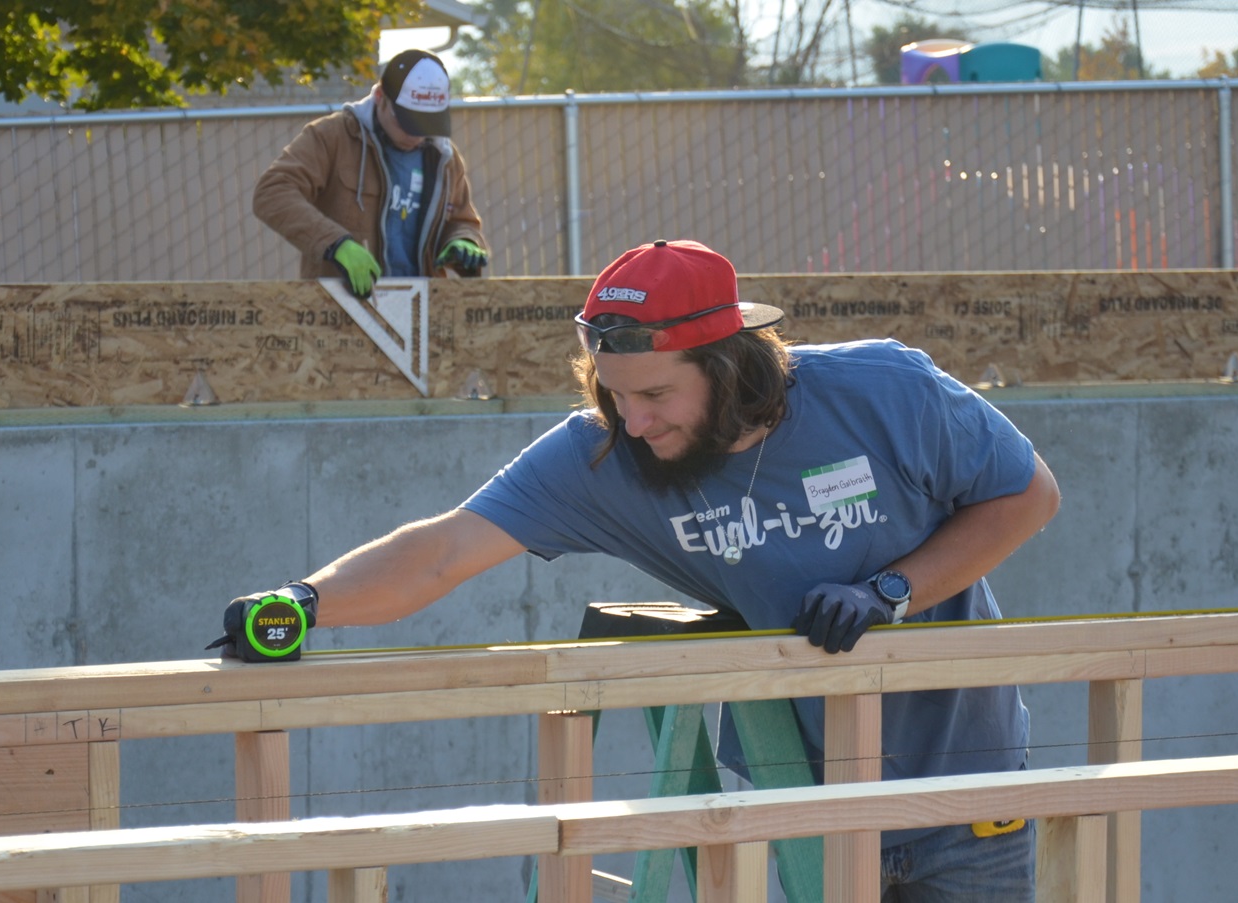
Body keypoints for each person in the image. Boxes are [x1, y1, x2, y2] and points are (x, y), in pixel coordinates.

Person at [226, 240, 1061, 900]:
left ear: (731, 366)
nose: (632, 418)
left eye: (655, 395)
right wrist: (301, 602)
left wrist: (892, 591)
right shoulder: (605, 455)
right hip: (813, 803)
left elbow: (1027, 496)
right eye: (614, 394)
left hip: (969, 789)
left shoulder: (884, 389)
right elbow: (440, 552)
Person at [251, 48, 488, 299]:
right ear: (379, 97)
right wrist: (335, 244)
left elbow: (461, 221)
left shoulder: (443, 158)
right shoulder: (333, 137)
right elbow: (272, 191)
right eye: (407, 122)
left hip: (421, 306)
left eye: (425, 124)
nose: (415, 135)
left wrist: (464, 241)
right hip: (346, 305)